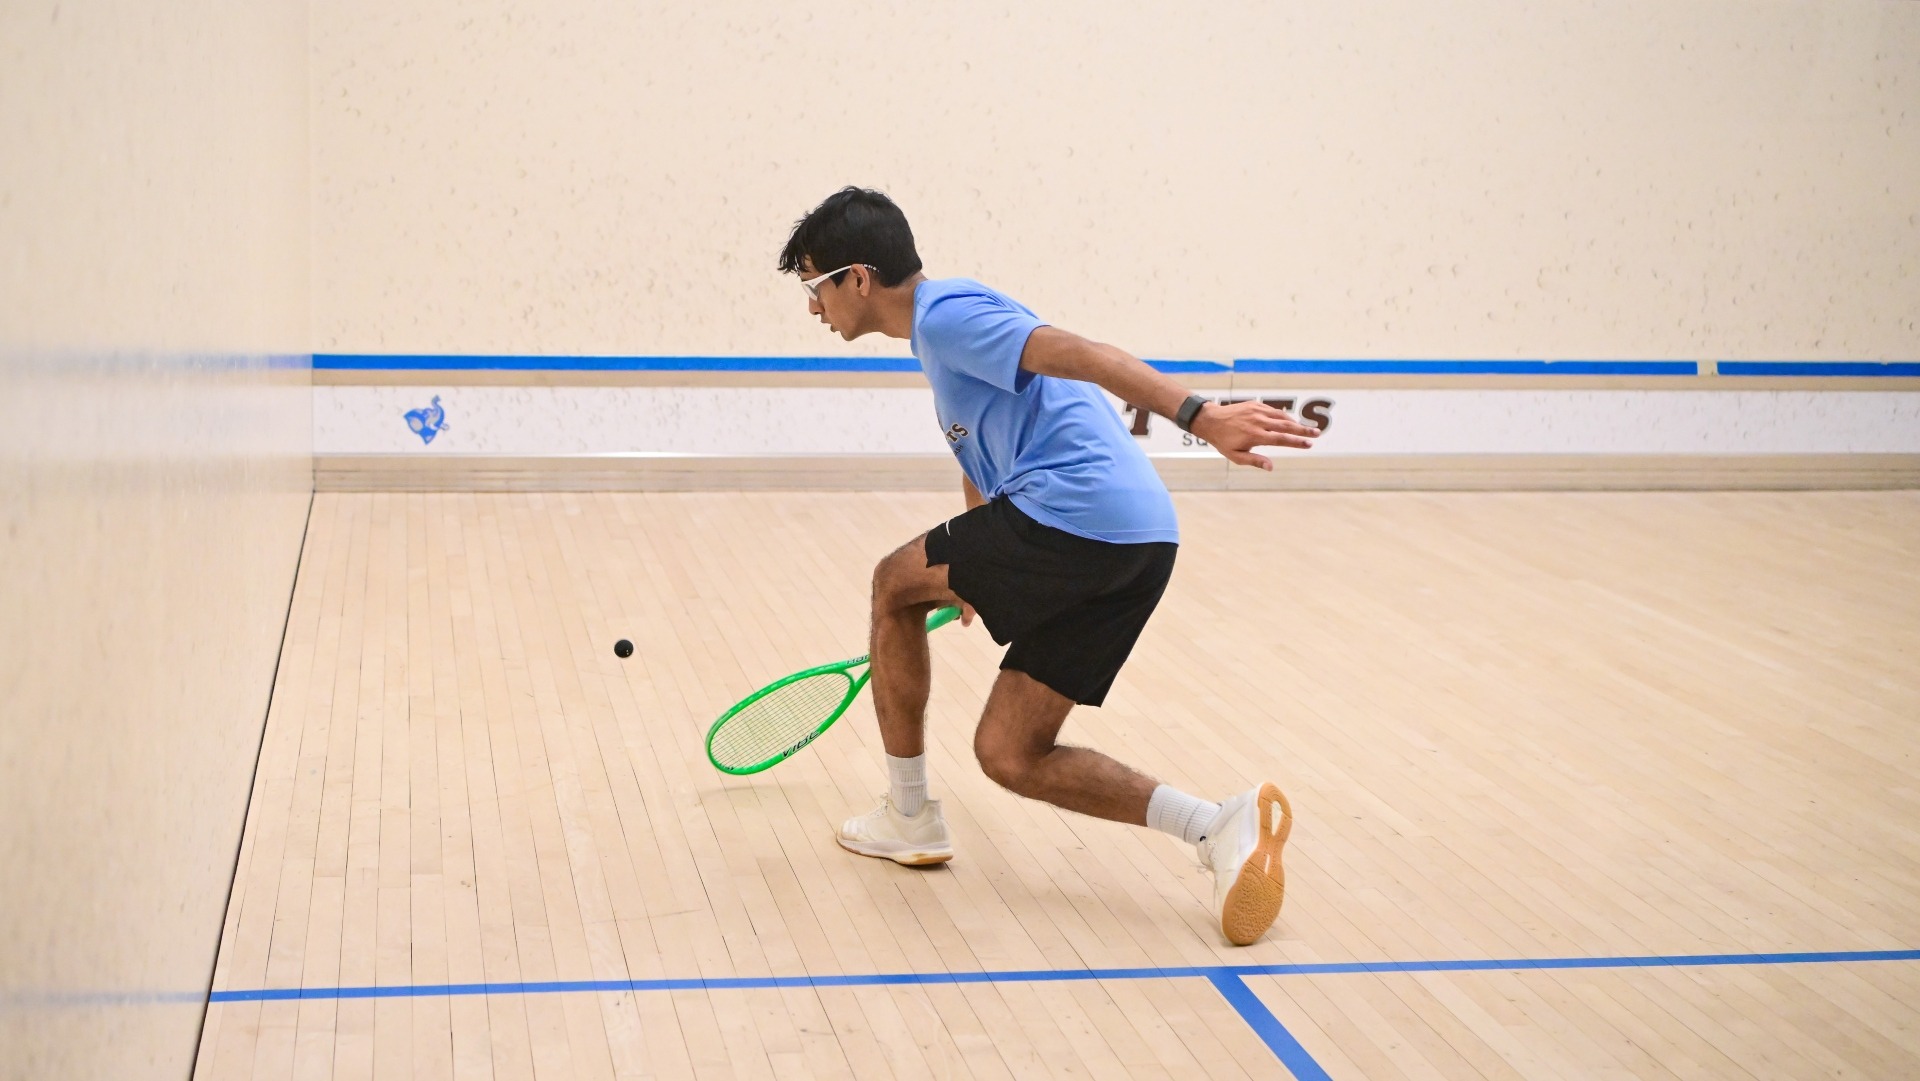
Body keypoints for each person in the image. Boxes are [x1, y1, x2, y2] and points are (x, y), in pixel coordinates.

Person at [777, 187, 1319, 945]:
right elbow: (981, 453)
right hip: (1140, 540)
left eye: (815, 286)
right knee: (1010, 752)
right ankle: (1217, 827)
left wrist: (1199, 414)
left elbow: (1089, 355)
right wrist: (967, 561)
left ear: (858, 279)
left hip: (1075, 516)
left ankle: (907, 814)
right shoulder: (937, 341)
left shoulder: (948, 315)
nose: (813, 308)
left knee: (890, 583)